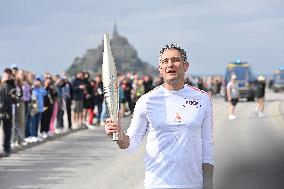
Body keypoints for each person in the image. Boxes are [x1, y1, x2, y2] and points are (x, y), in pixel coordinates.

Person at [105, 44, 214, 189]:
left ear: (186, 66)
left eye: (175, 60)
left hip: (193, 184)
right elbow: (131, 144)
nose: (170, 65)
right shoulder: (146, 101)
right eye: (165, 61)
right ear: (160, 69)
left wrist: (208, 183)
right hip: (157, 184)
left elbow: (207, 143)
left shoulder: (203, 99)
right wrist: (119, 135)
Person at [0, 68, 17, 157]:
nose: (7, 75)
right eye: (6, 73)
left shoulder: (12, 85)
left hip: (8, 110)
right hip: (0, 109)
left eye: (9, 74)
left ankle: (6, 148)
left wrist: (12, 82)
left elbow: (15, 97)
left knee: (7, 130)